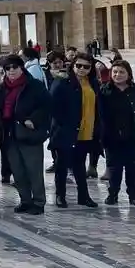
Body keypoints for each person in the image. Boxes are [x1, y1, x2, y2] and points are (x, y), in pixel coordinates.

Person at [0, 55, 52, 214]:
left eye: (15, 67)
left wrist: (33, 120)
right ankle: (25, 200)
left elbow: (47, 106)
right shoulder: (1, 88)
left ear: (22, 68)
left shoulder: (34, 85)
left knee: (33, 170)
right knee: (18, 170)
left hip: (29, 134)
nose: (11, 71)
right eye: (8, 68)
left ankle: (39, 202)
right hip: (9, 134)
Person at [49, 52, 101, 208]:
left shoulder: (92, 83)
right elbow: (53, 107)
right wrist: (63, 125)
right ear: (73, 65)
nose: (82, 69)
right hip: (66, 131)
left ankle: (83, 196)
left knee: (79, 165)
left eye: (86, 66)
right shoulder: (62, 81)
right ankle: (60, 195)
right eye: (78, 65)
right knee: (62, 165)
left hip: (86, 131)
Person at [99, 60, 135, 207]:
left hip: (133, 137)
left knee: (132, 168)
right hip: (112, 138)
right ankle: (113, 194)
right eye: (115, 72)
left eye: (121, 72)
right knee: (114, 168)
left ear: (128, 74)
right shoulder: (104, 91)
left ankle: (134, 195)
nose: (117, 75)